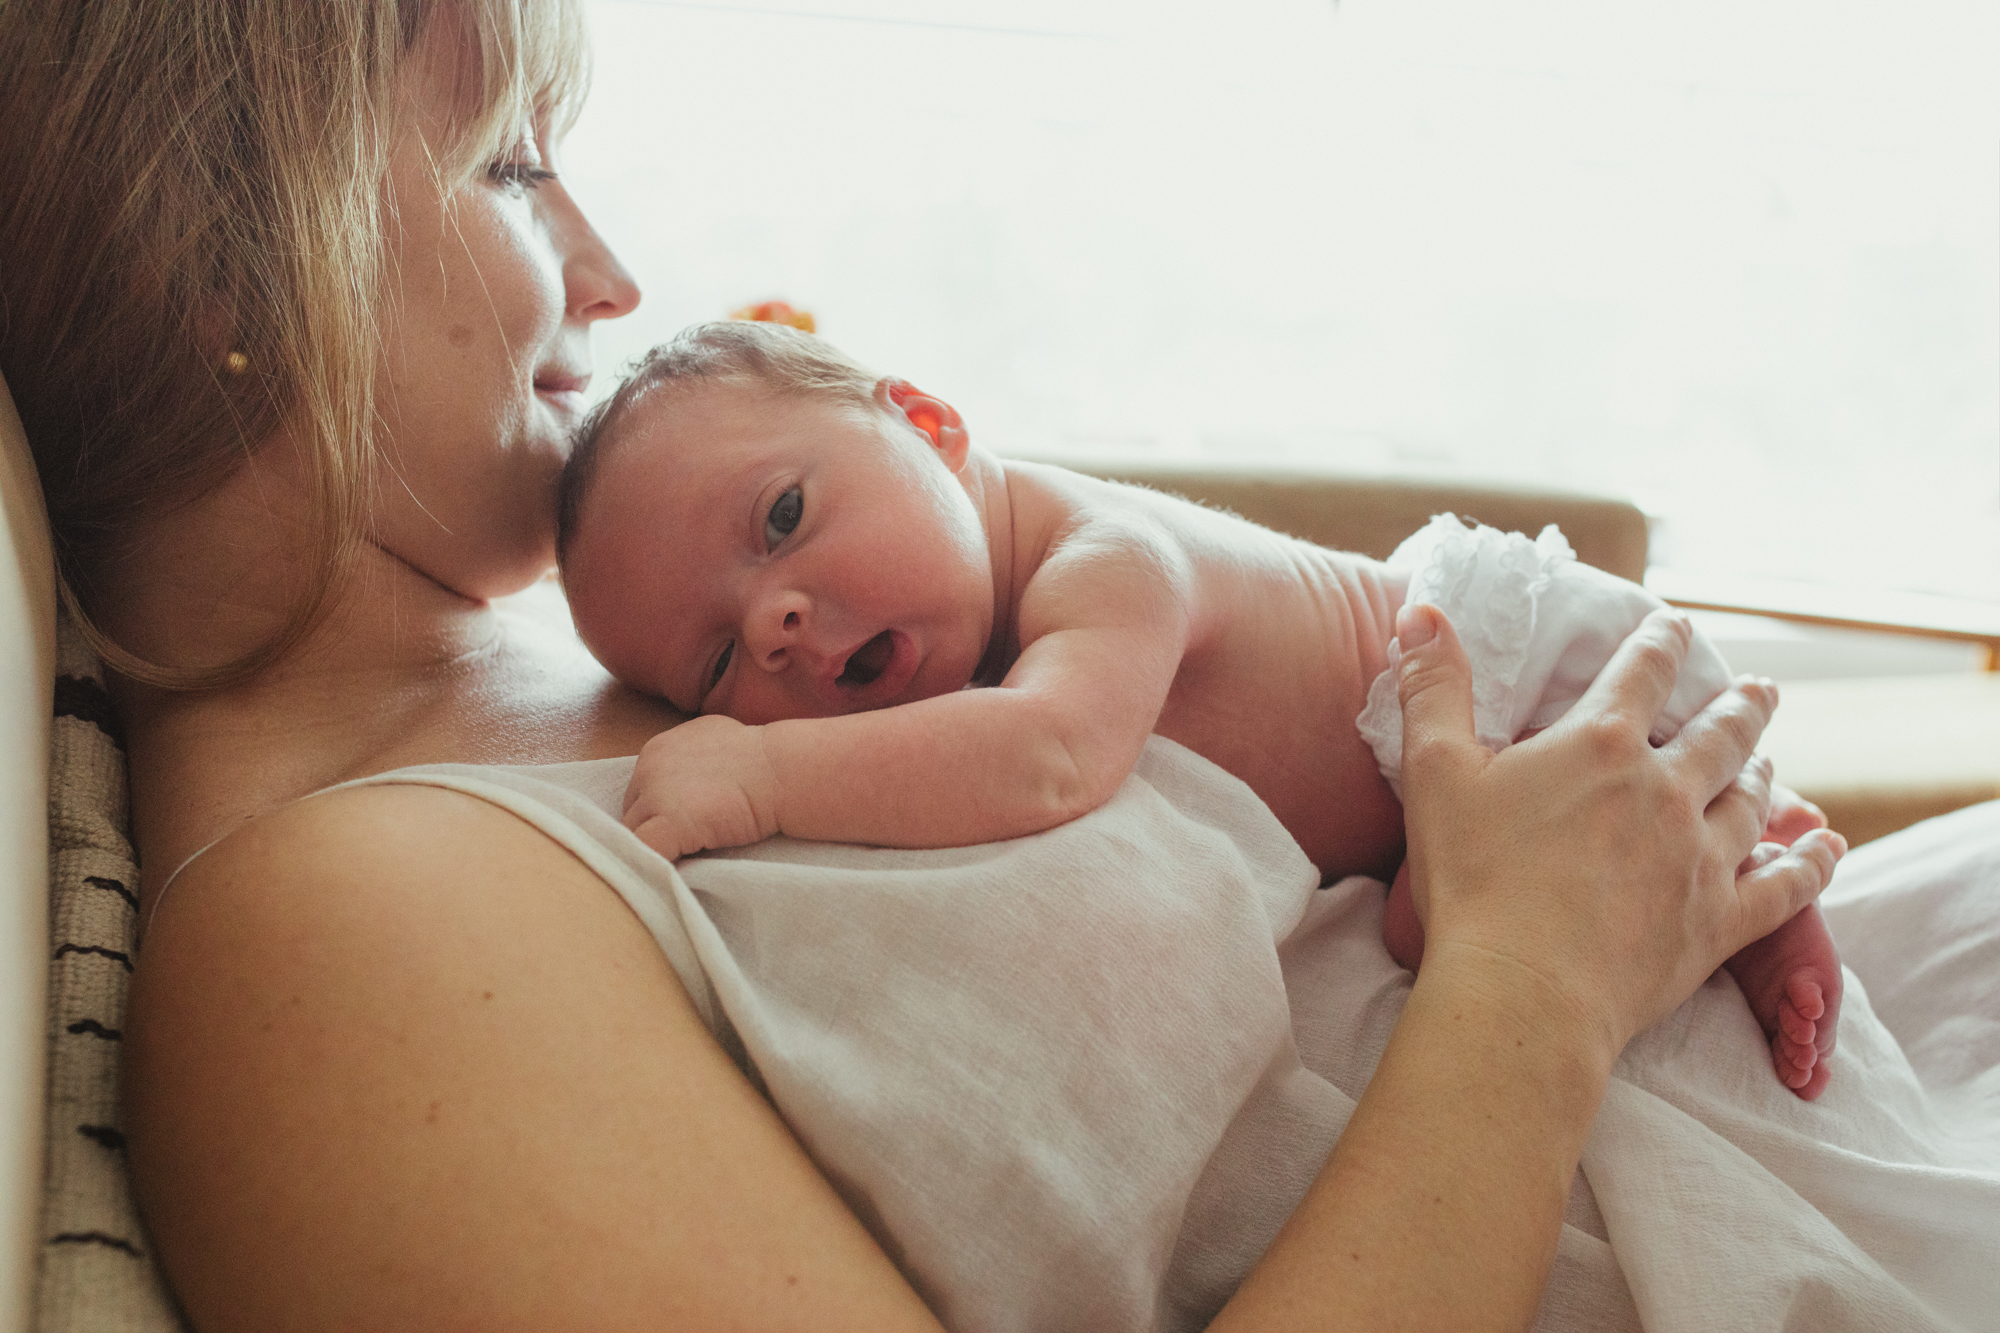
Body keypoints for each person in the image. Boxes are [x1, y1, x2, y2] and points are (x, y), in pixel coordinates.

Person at [0, 1, 1849, 1328]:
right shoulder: (345, 951)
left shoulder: (597, 645)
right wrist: (1536, 979)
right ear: (220, 260)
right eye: (512, 164)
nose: (617, 271)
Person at [557, 320, 1845, 1098]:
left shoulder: (1104, 558)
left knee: (1692, 827)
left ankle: (1781, 898)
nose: (775, 622)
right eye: (717, 664)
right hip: (1419, 794)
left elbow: (1053, 755)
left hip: (1519, 673)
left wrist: (764, 778)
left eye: (783, 517)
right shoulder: (974, 616)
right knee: (1421, 927)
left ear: (930, 424)